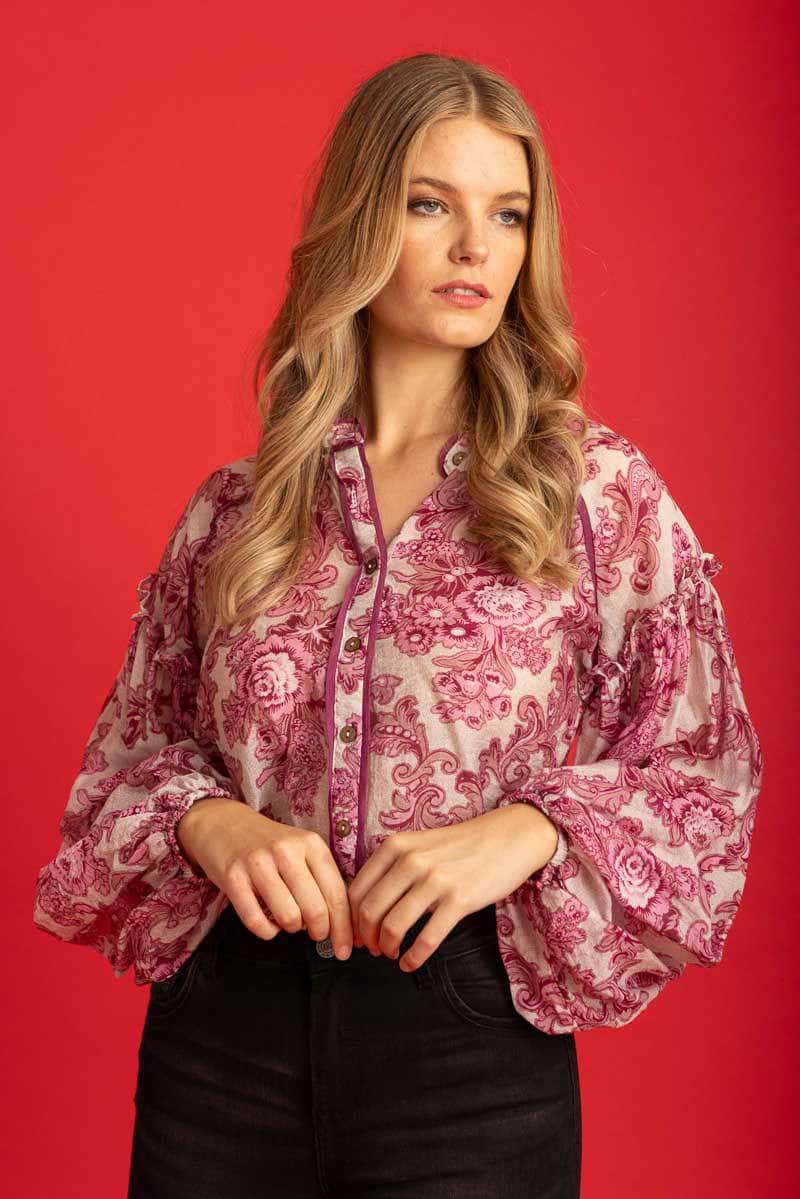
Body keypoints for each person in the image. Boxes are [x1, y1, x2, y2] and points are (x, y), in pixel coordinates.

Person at [32, 51, 763, 1199]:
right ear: (360, 220)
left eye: (506, 214)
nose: (476, 247)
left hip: (462, 1048)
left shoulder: (592, 493)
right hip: (219, 1037)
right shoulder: (237, 511)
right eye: (431, 204)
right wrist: (213, 823)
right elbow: (119, 775)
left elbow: (703, 779)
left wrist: (528, 828)